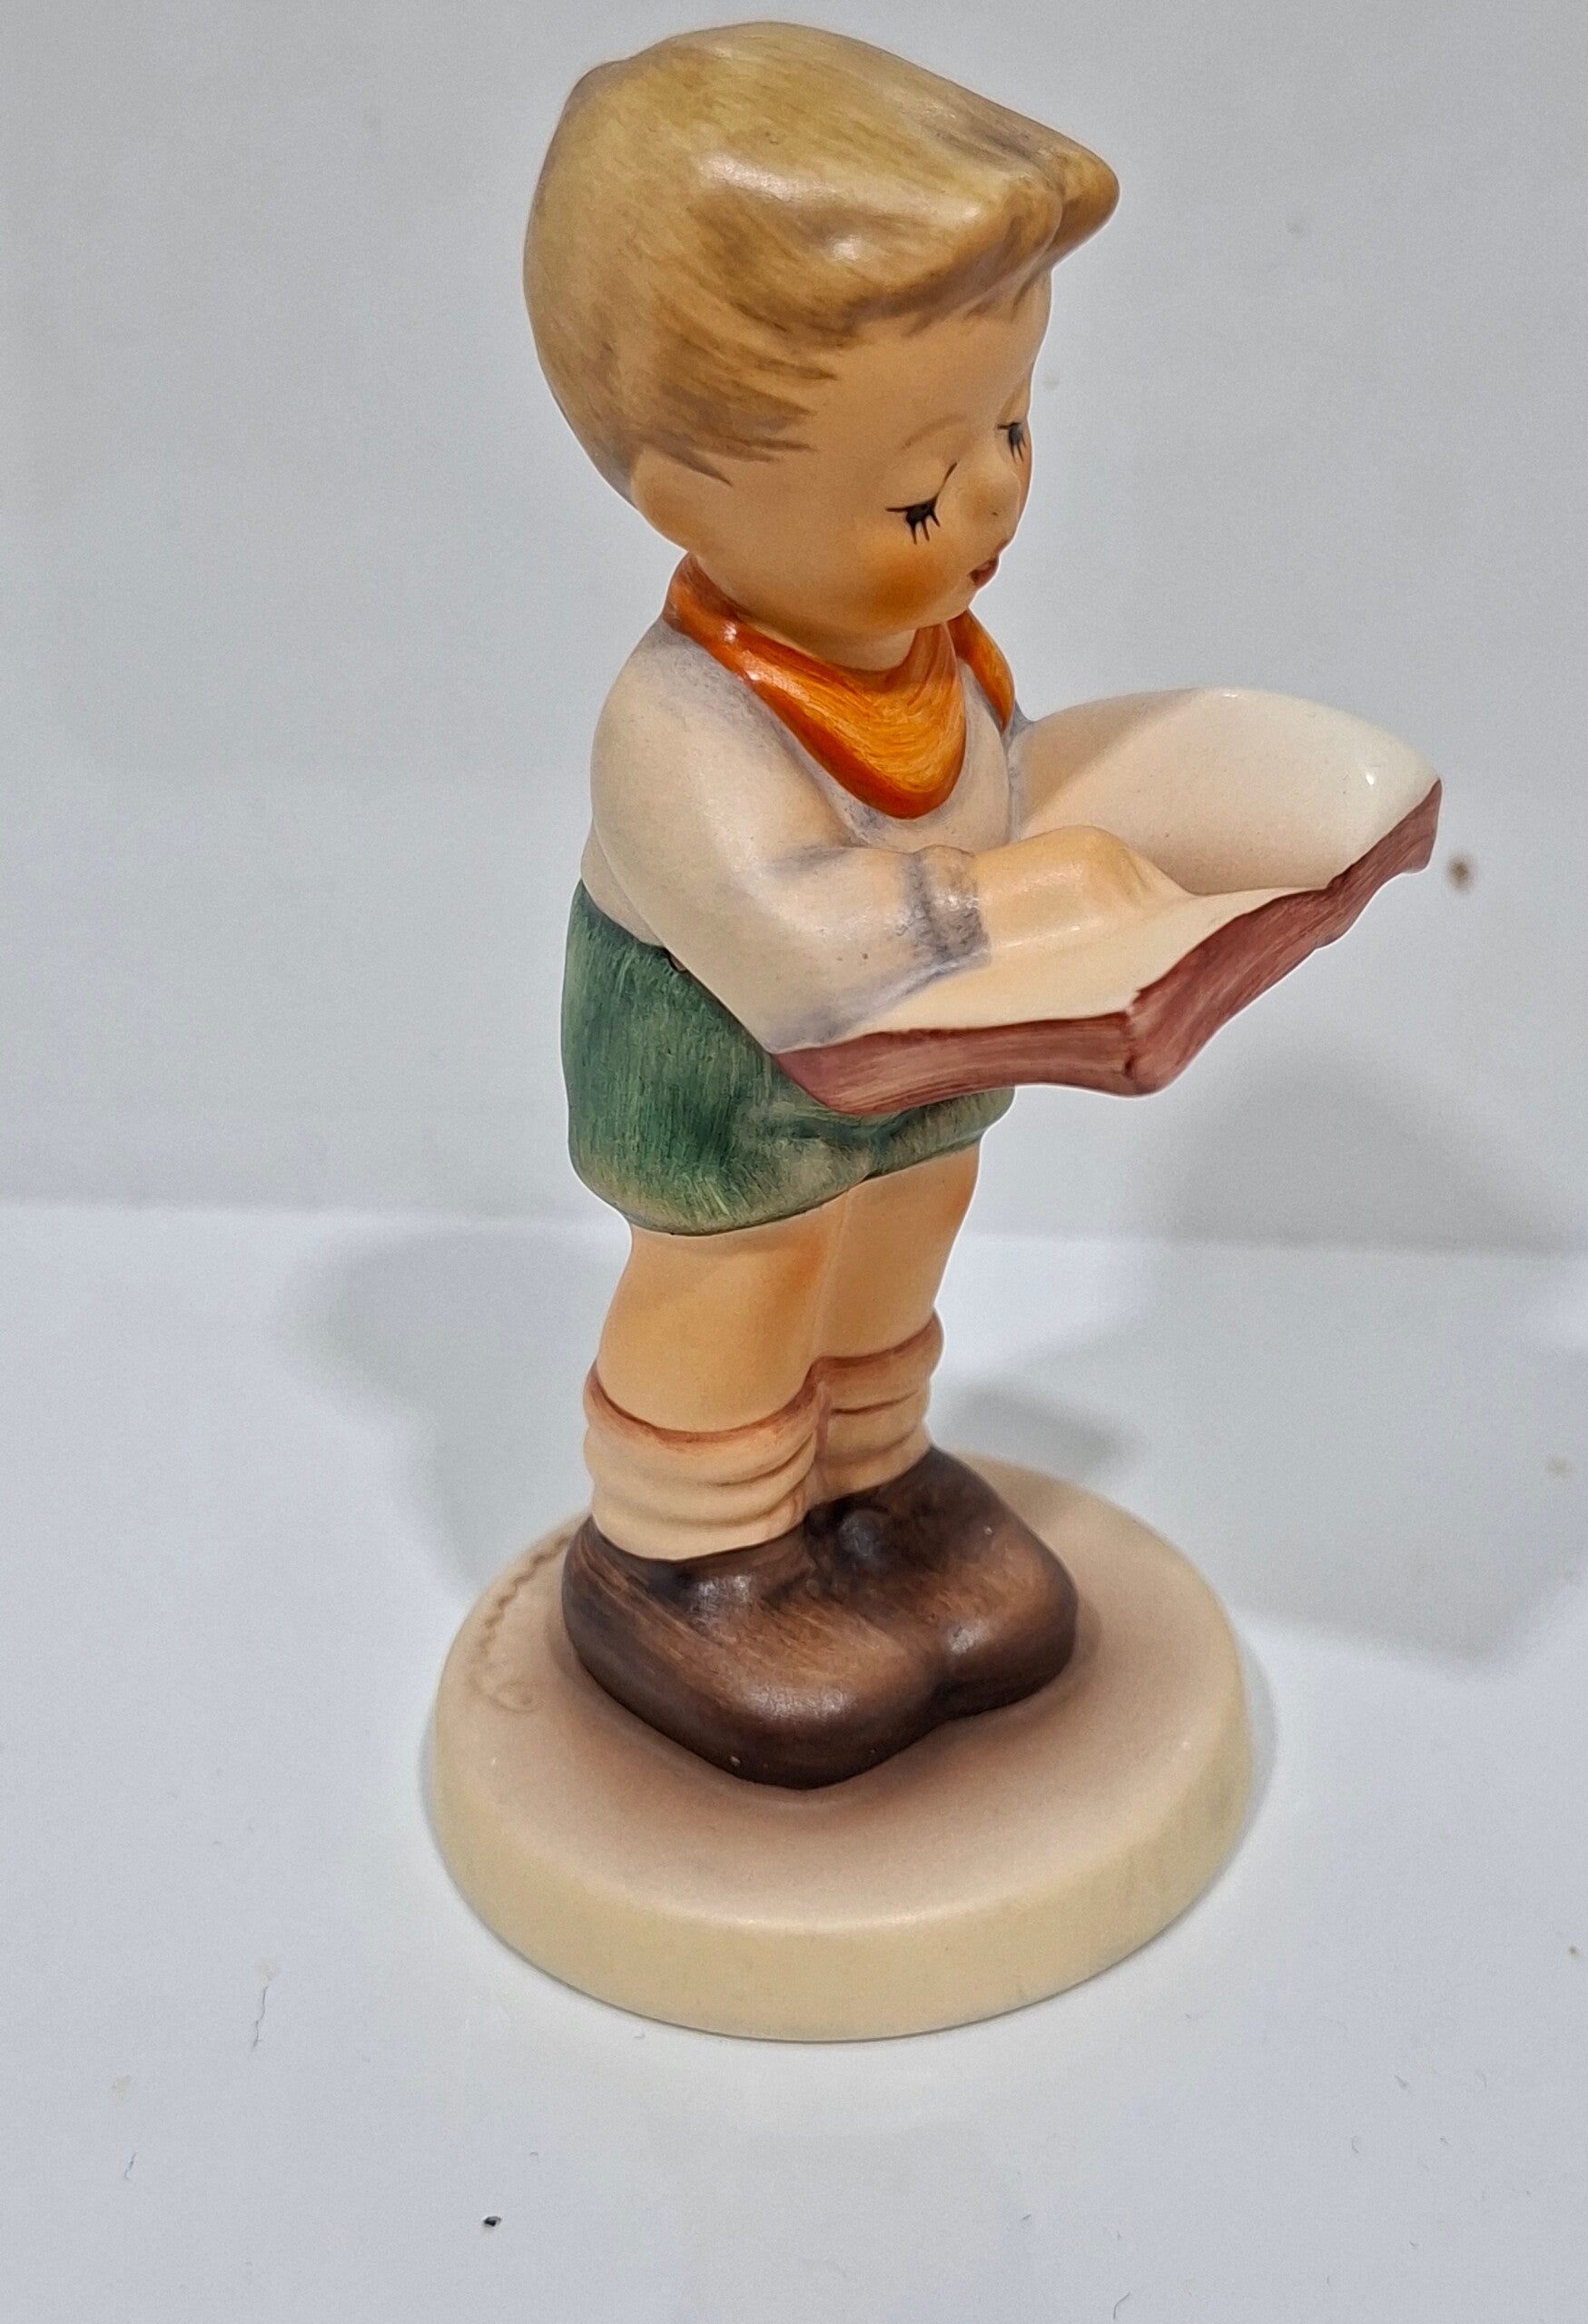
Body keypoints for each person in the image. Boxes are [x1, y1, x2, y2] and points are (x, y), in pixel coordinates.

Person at [522, 25, 1437, 1785]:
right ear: (687, 500)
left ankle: (871, 1481)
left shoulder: (929, 651)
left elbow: (995, 785)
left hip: (921, 1068)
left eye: (1012, 423)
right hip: (726, 1085)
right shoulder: (683, 722)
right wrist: (1016, 890)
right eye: (923, 486)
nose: (999, 494)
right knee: (746, 1285)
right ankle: (693, 1548)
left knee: (903, 1237)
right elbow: (787, 933)